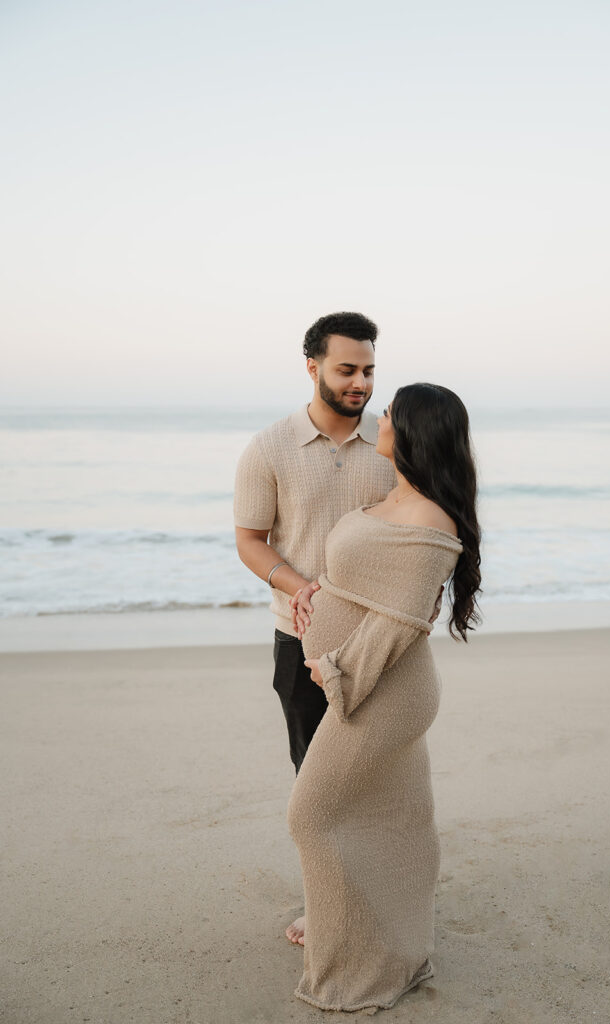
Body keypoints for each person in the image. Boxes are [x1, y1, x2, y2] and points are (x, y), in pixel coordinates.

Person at [287, 382, 481, 1012]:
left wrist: (337, 670)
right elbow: (370, 579)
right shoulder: (394, 494)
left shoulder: (431, 518)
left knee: (312, 814)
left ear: (413, 430)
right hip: (360, 679)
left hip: (384, 689)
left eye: (390, 412)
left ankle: (357, 960)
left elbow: (400, 623)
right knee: (395, 819)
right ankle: (376, 936)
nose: (380, 417)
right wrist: (312, 589)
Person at [233, 311, 396, 944]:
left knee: (378, 775)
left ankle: (383, 893)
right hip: (297, 639)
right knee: (317, 781)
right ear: (312, 367)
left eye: (369, 370)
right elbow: (250, 541)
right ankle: (327, 901)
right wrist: (299, 588)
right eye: (347, 369)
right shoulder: (270, 446)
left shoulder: (391, 441)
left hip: (378, 640)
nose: (360, 383)